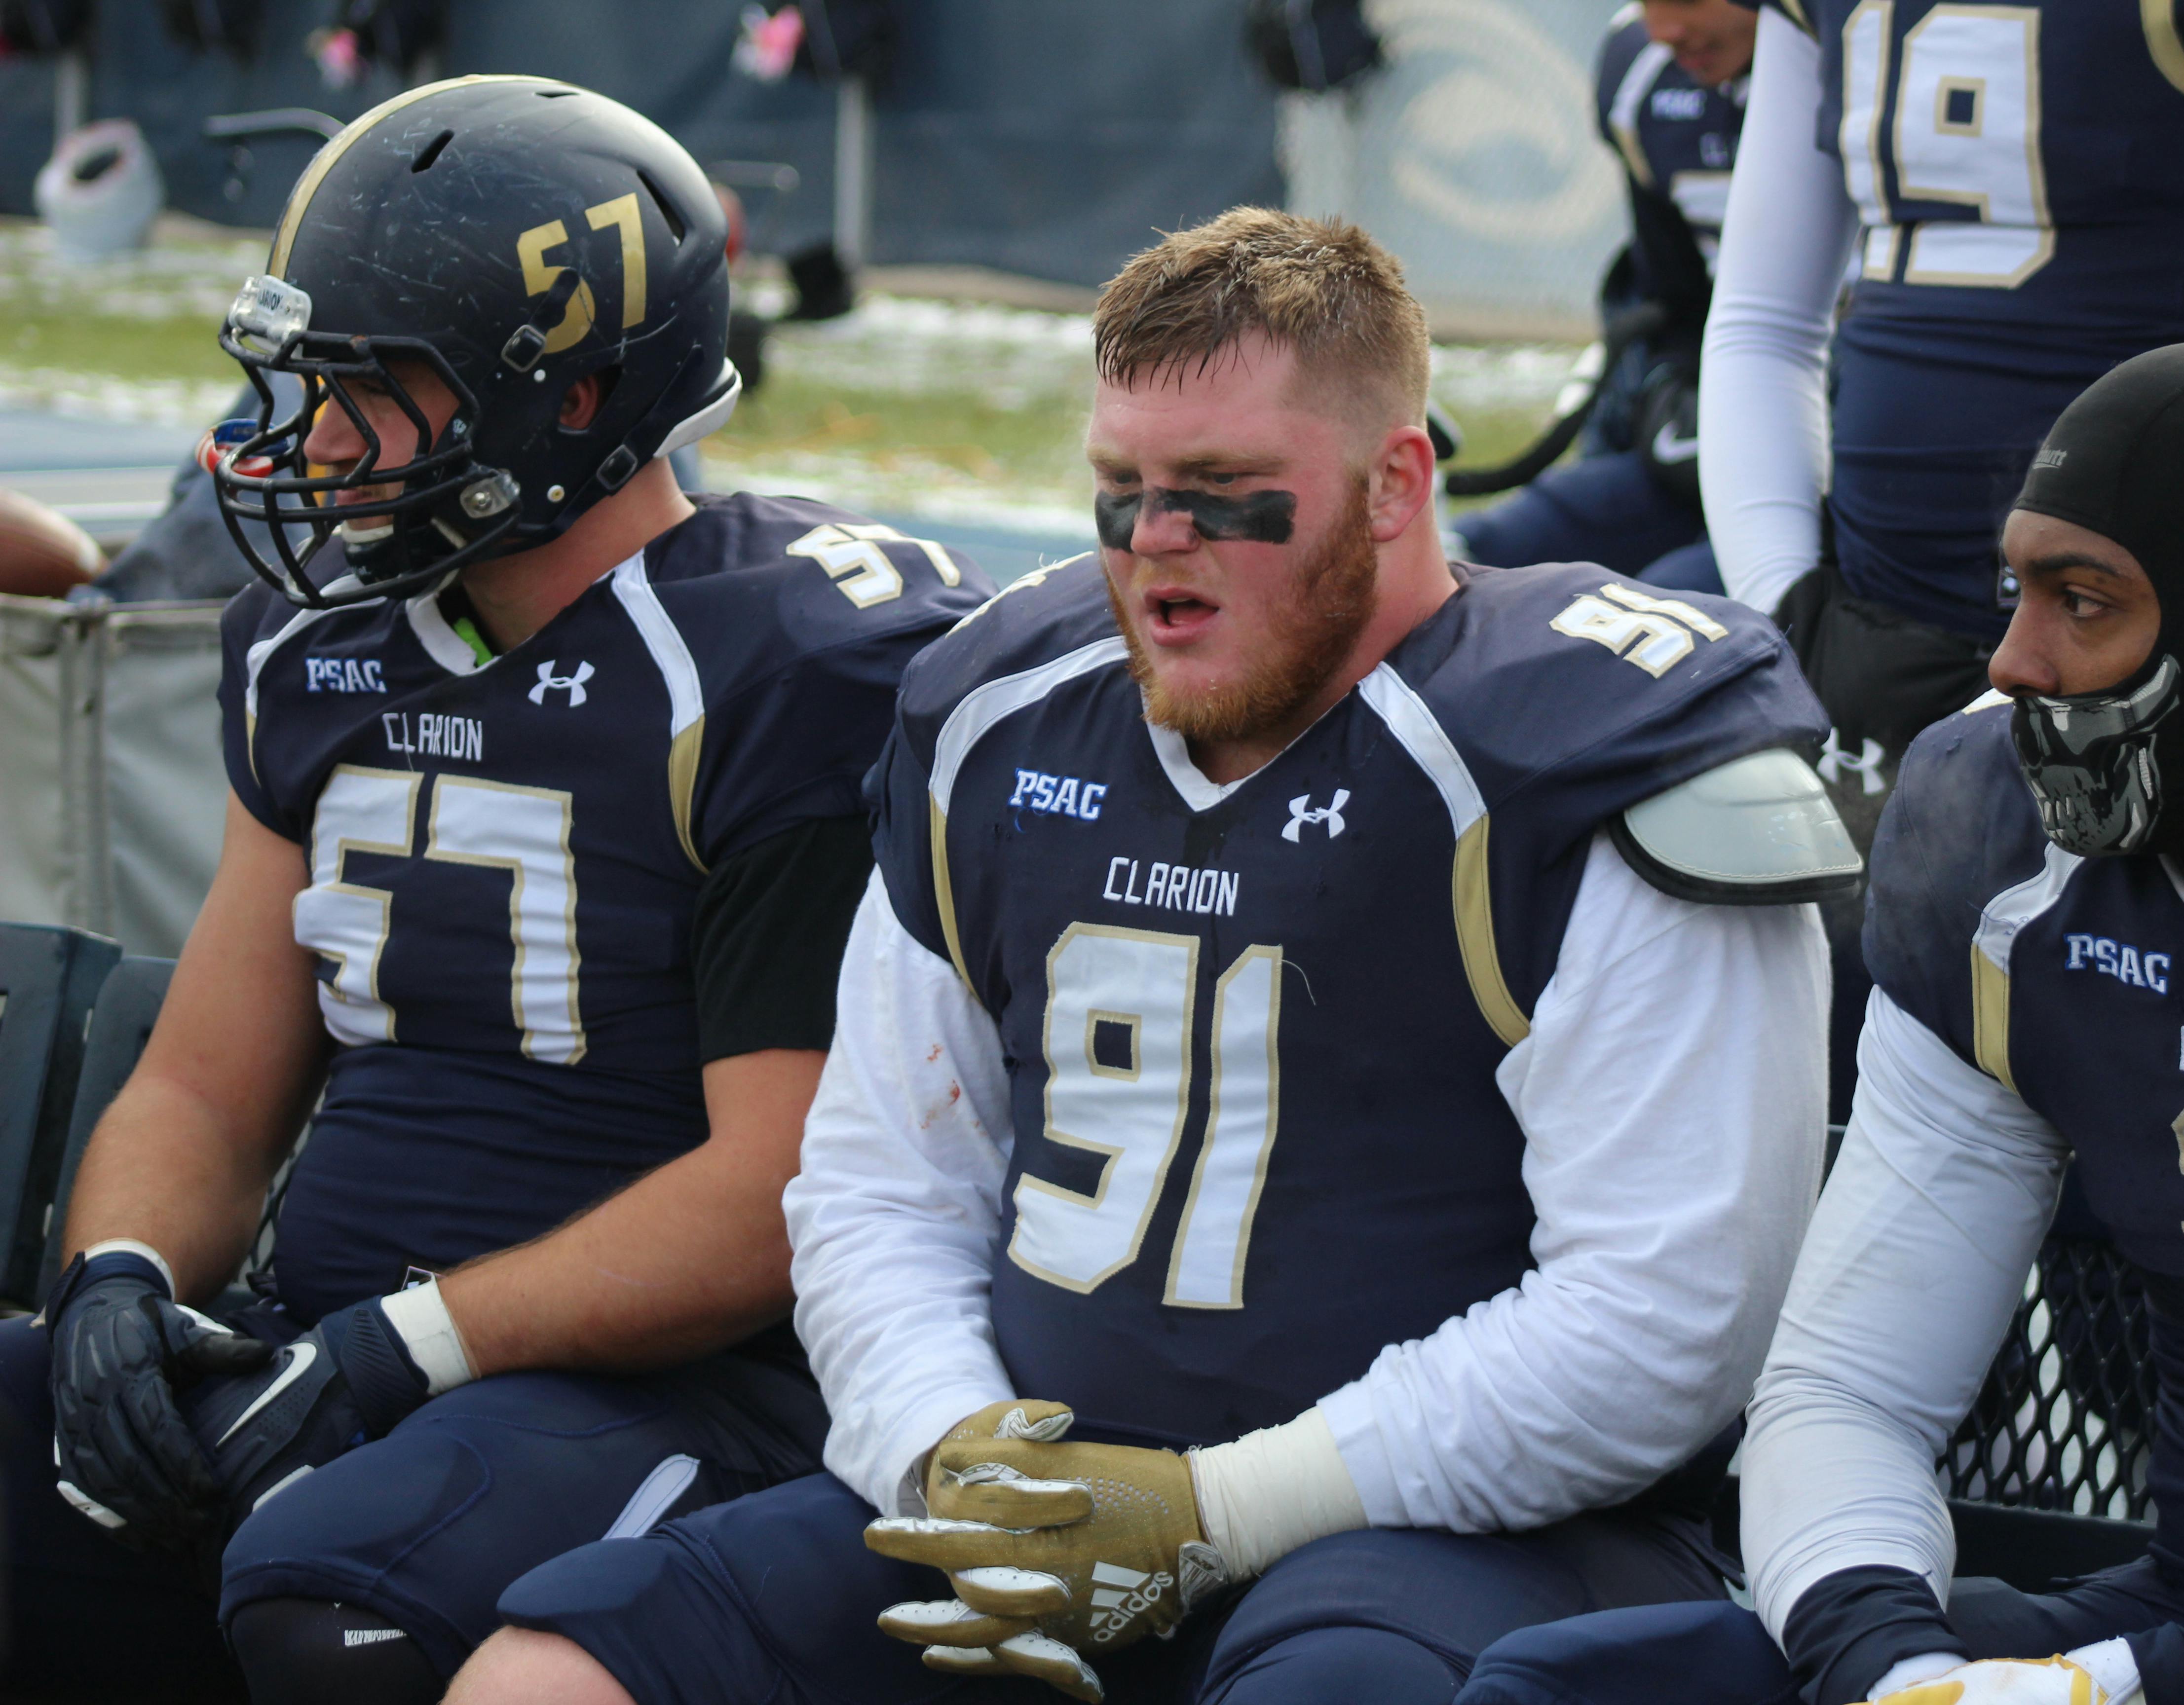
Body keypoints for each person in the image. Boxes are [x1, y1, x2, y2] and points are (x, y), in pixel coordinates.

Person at [444, 206, 1851, 1705]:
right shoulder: (1001, 711)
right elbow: (876, 1184)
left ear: (1396, 485)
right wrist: (953, 1455)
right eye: (1121, 491)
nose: (1157, 548)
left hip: (1453, 1535)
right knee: (553, 1670)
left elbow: (1661, 1327)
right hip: (1042, 1509)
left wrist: (1210, 1516)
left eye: (1224, 496)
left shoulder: (1586, 748)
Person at [5, 75, 989, 1705]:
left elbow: (779, 1196)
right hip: (331, 1348)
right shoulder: (316, 642)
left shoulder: (778, 667)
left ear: (576, 399)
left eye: (375, 389)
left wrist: (403, 1345)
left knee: (345, 1593)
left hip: (679, 1383)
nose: (315, 440)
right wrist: (122, 1280)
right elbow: (202, 1088)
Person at [1458, 339, 2184, 1705]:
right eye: (2016, 590)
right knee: (1568, 1691)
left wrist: (2153, 1689)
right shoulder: (2006, 858)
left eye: (2083, 602)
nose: (2013, 660)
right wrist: (1894, 1666)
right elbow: (1852, 1387)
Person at [1699, 0, 2184, 1115]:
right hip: (1872, 629)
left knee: (2131, 1131)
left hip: (2160, 669)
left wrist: (2135, 653)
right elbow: (1762, 318)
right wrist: (1785, 606)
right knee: (1855, 1101)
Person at [1454, 0, 1757, 593]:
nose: (1666, 30)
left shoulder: (1860, 61)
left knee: (1672, 603)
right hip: (1721, 422)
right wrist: (1667, 385)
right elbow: (1672, 289)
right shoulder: (1639, 70)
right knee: (1479, 554)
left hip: (1857, 443)